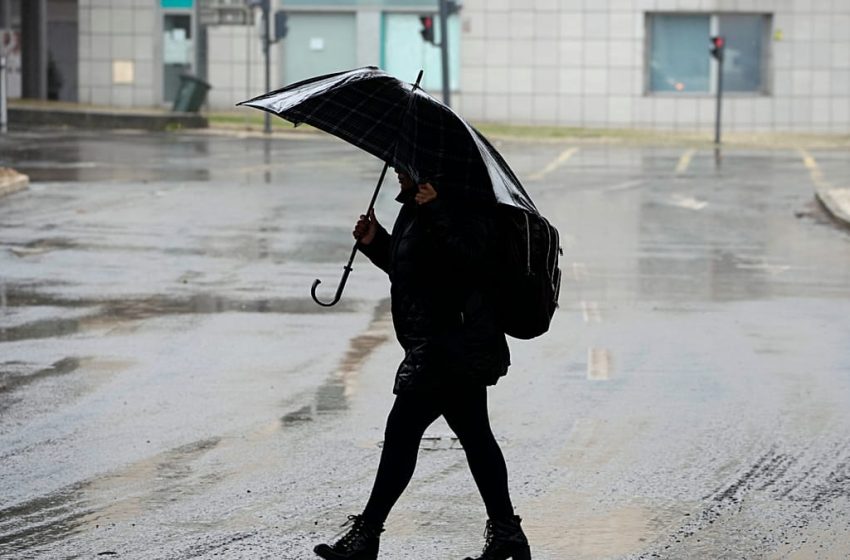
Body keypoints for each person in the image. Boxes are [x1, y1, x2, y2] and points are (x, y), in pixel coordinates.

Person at [312, 170, 531, 560]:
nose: (397, 169)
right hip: (438, 343)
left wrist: (438, 210)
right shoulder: (417, 207)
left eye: (404, 164)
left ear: (427, 167)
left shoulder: (462, 201)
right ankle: (506, 533)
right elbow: (417, 270)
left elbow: (469, 262)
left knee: (403, 431)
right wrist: (376, 242)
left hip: (452, 344)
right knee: (475, 436)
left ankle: (367, 535)